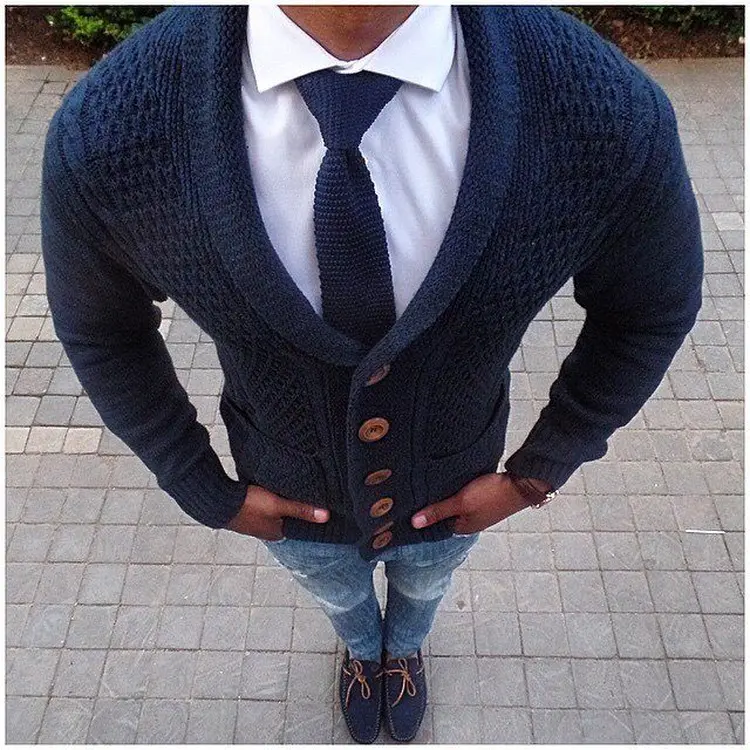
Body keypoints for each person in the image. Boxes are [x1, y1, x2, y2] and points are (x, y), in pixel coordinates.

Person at [40, 4, 703, 744]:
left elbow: (650, 309)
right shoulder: (108, 133)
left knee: (427, 583)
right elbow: (102, 331)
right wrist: (200, 485)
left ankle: (405, 648)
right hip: (288, 498)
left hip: (456, 486)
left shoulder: (605, 112)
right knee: (336, 593)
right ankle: (361, 649)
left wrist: (538, 471)